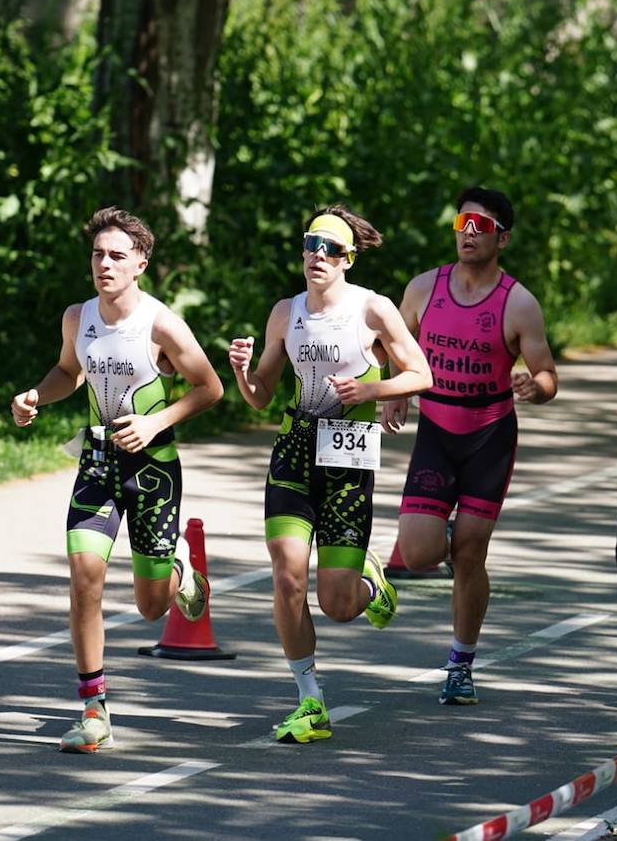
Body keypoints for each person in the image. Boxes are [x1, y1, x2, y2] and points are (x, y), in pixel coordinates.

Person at [10, 206, 225, 753]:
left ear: (140, 265)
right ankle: (94, 708)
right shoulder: (77, 318)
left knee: (152, 606)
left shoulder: (161, 324)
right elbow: (67, 371)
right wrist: (37, 395)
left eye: (116, 256)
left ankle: (178, 570)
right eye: (97, 255)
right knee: (84, 577)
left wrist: (155, 421)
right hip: (98, 463)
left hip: (153, 469)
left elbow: (210, 388)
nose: (104, 264)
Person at [228, 205, 431, 744]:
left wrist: (373, 390)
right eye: (312, 244)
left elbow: (421, 374)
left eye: (332, 248)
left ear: (348, 259)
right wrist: (242, 373)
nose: (319, 255)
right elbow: (260, 397)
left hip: (347, 458)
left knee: (337, 605)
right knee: (287, 574)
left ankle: (369, 583)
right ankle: (310, 701)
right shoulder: (284, 313)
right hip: (294, 450)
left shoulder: (373, 309)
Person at [383, 187, 559, 705]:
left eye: (481, 226)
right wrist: (395, 391)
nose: (469, 233)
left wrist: (536, 386)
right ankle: (447, 532)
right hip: (437, 432)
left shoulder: (518, 303)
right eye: (463, 223)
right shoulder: (423, 288)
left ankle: (460, 664)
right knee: (418, 554)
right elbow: (393, 345)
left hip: (489, 438)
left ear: (502, 238)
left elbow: (548, 373)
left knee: (469, 556)